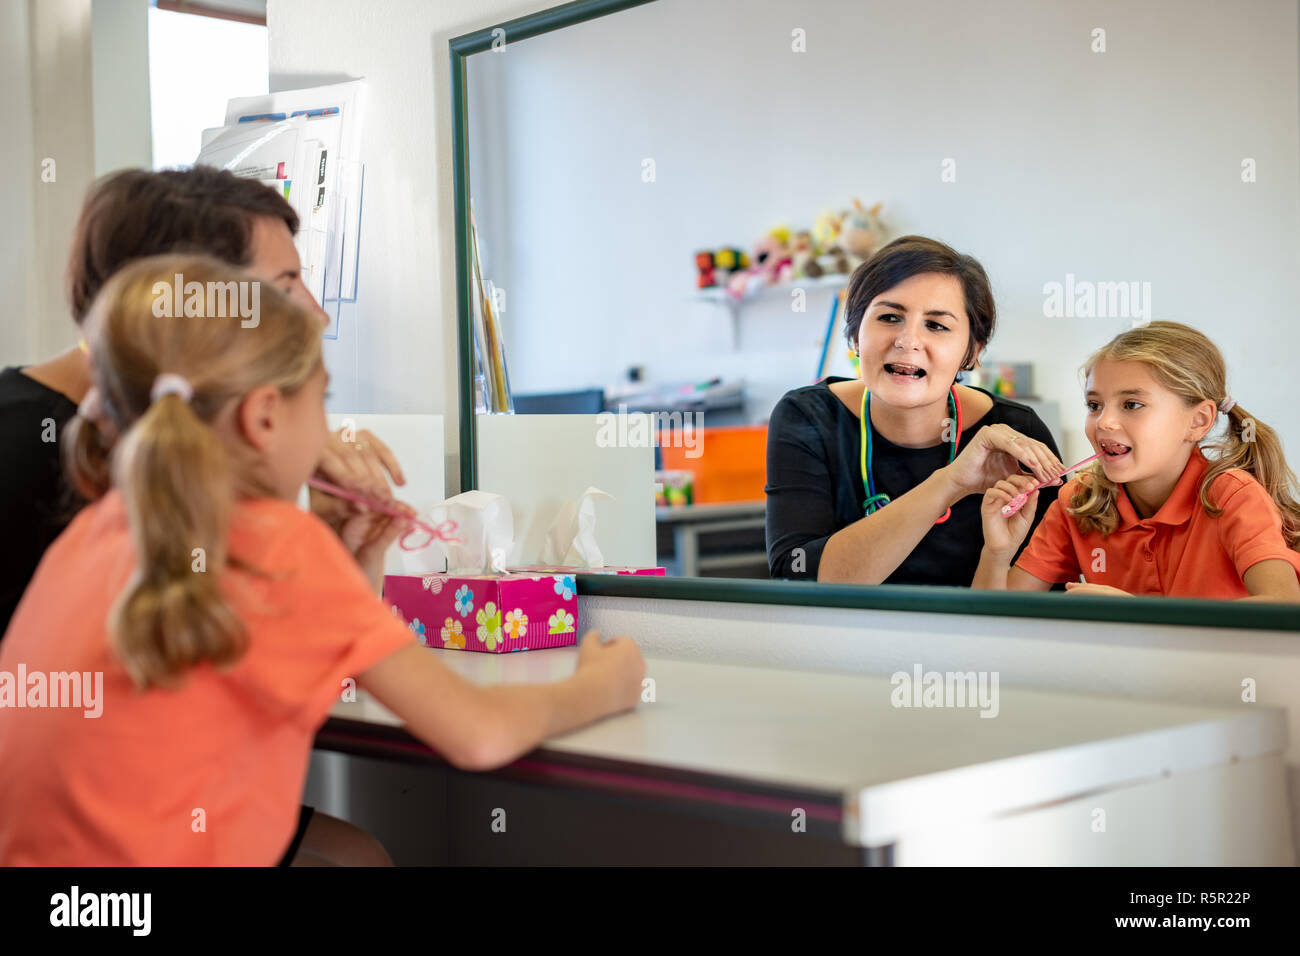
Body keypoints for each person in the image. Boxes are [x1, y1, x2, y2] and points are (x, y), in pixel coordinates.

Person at [0, 254, 646, 865]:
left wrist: (350, 562)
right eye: (322, 397)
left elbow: (294, 660)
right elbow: (477, 734)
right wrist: (601, 688)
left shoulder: (100, 531)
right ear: (263, 418)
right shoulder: (273, 540)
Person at [0, 166, 401, 639]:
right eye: (284, 286)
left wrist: (340, 563)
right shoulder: (19, 454)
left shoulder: (188, 444)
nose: (316, 314)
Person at [765, 235, 1066, 586]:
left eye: (936, 325)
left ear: (972, 351)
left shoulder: (1015, 432)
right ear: (855, 335)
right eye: (890, 317)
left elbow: (1047, 592)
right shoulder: (808, 417)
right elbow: (796, 577)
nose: (907, 341)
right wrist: (950, 483)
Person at [975, 321, 1300, 600]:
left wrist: (1139, 617)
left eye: (1131, 404)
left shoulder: (1232, 496)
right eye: (1094, 405)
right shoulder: (1077, 502)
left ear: (1198, 421)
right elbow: (990, 628)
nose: (1103, 422)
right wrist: (997, 552)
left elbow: (1283, 606)